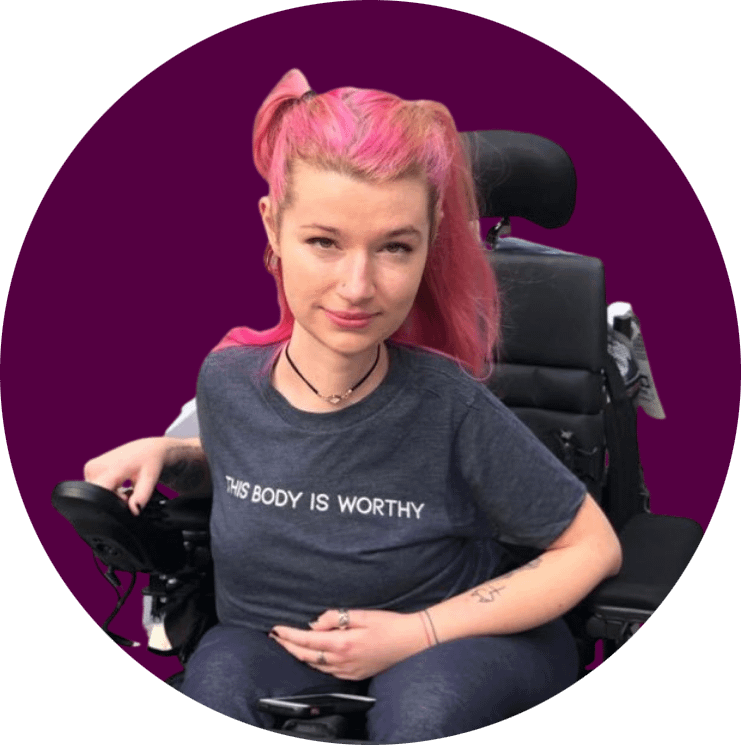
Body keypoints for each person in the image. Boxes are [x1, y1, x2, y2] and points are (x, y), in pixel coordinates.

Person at [84, 69, 622, 742]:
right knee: (213, 691)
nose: (358, 285)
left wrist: (415, 632)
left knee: (426, 716)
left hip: (444, 638)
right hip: (266, 637)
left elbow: (592, 545)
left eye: (395, 246)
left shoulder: (446, 401)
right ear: (273, 228)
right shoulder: (226, 381)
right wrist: (172, 454)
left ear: (428, 245)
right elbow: (270, 466)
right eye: (324, 241)